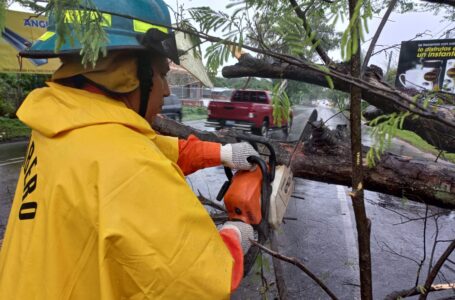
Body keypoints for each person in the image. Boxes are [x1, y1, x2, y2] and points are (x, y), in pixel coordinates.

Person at [0, 0, 259, 298]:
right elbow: (196, 283)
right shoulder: (128, 164)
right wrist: (235, 235)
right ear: (125, 71)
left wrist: (223, 154)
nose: (167, 89)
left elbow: (152, 148)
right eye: (162, 74)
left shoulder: (61, 128)